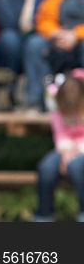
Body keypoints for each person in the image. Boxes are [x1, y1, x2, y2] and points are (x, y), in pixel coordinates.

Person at [24, 0, 84, 109]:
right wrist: (56, 33)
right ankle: (36, 102)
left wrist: (76, 35)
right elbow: (44, 17)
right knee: (35, 45)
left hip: (80, 40)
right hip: (60, 37)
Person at [33, 72, 84, 222]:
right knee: (46, 168)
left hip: (81, 149)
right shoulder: (56, 105)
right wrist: (66, 152)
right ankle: (44, 215)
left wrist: (77, 151)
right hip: (64, 148)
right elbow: (60, 132)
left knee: (76, 168)